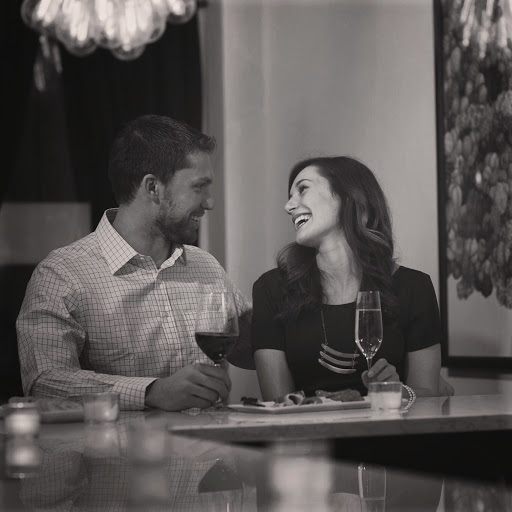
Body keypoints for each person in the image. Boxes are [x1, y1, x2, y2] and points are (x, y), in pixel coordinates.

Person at [17, 114, 253, 411]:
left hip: (215, 441)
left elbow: (252, 348)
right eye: (199, 187)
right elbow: (45, 382)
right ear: (153, 187)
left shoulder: (205, 265)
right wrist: (151, 392)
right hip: (115, 443)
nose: (210, 202)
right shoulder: (62, 275)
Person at [251, 156, 445, 401]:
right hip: (305, 426)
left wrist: (397, 391)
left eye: (303, 189)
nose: (288, 206)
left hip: (388, 425)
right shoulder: (271, 289)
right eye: (290, 196)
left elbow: (429, 396)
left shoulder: (414, 288)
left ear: (350, 197)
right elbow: (279, 403)